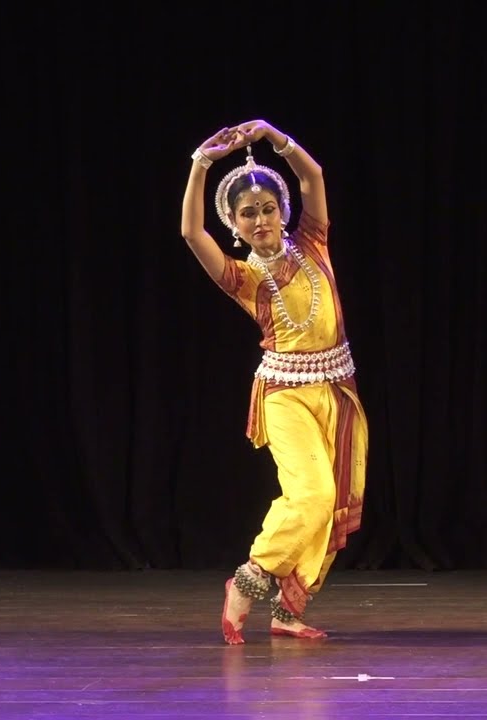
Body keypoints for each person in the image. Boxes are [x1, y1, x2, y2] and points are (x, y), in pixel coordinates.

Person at [180, 120, 368, 644]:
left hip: (338, 390)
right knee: (311, 494)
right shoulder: (243, 276)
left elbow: (313, 176)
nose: (260, 219)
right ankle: (250, 578)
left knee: (328, 507)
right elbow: (191, 234)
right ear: (234, 224)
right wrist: (201, 163)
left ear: (281, 211)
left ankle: (289, 612)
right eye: (248, 214)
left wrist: (272, 136)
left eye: (267, 208)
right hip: (285, 394)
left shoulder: (313, 242)